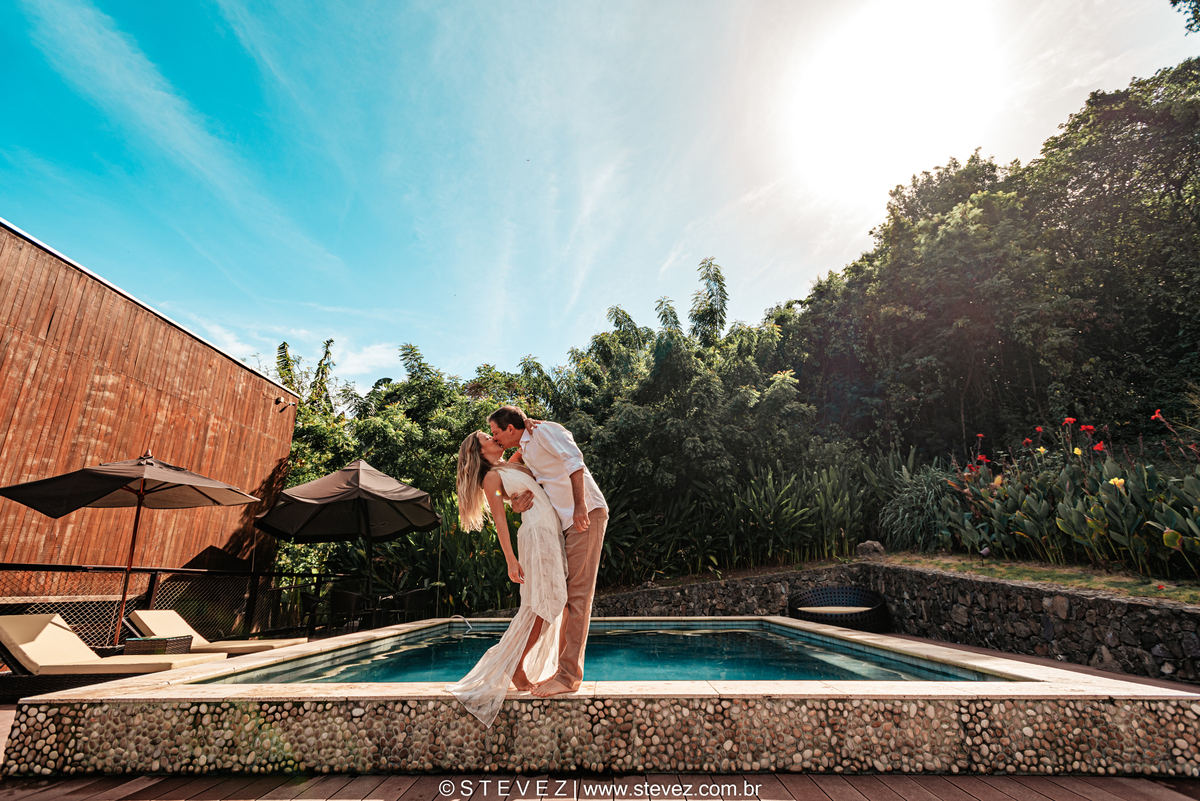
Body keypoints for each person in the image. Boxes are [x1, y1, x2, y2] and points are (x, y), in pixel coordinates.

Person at [444, 431, 568, 727]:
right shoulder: (491, 479)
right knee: (545, 605)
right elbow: (500, 519)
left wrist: (528, 422)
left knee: (549, 604)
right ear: (478, 448)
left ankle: (517, 664)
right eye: (487, 436)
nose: (494, 437)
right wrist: (511, 560)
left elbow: (528, 436)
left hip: (548, 533)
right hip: (536, 537)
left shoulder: (511, 462)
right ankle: (516, 665)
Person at [488, 405, 607, 698]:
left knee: (578, 597)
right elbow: (507, 480)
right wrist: (512, 504)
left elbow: (575, 461)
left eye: (496, 433)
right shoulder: (525, 446)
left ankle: (568, 678)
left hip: (585, 514)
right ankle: (562, 670)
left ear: (510, 429)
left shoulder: (545, 432)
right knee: (567, 598)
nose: (495, 440)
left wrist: (580, 505)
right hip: (566, 522)